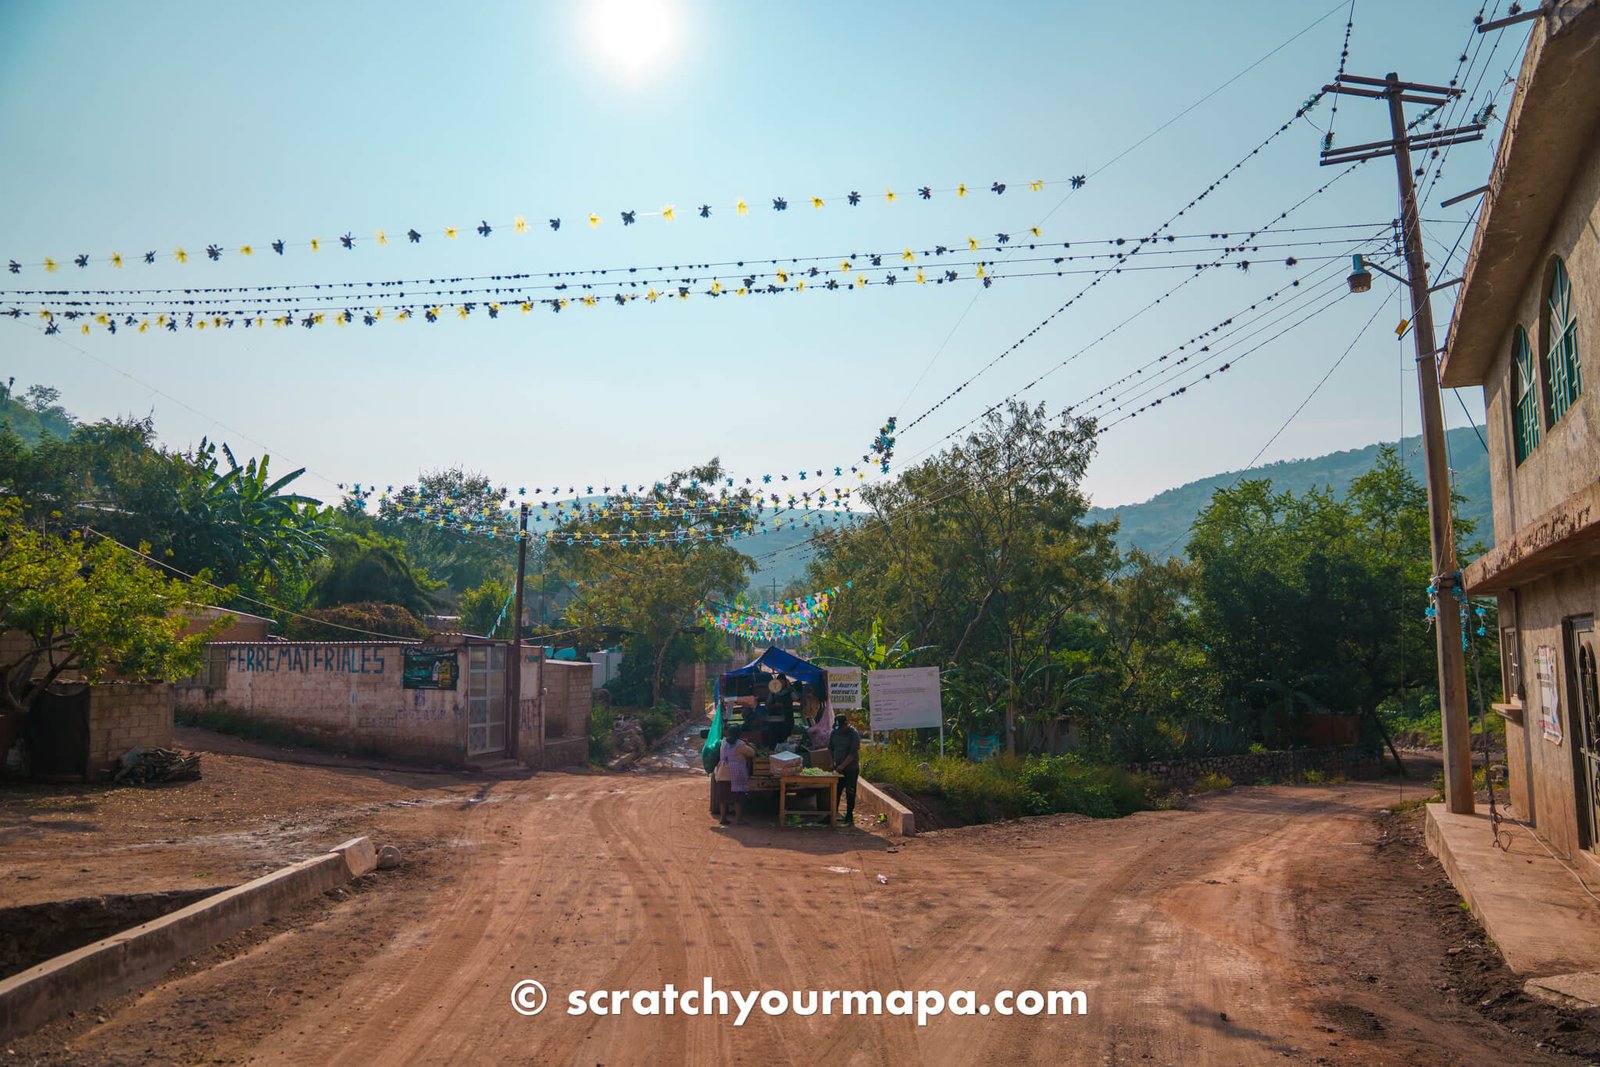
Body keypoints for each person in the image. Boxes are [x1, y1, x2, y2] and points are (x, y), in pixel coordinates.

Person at [714, 725, 755, 826]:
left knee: (723, 797)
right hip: (735, 774)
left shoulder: (723, 742)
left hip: (722, 772)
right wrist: (747, 744)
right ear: (739, 734)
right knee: (737, 796)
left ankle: (723, 818)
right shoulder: (740, 744)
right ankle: (739, 819)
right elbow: (752, 753)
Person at [828, 713, 861, 824]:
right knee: (835, 791)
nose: (839, 730)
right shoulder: (834, 733)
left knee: (850, 792)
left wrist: (842, 766)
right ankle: (832, 815)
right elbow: (830, 749)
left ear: (846, 724)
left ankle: (849, 815)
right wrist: (832, 762)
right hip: (838, 769)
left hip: (851, 769)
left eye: (841, 727)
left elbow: (852, 754)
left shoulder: (853, 734)